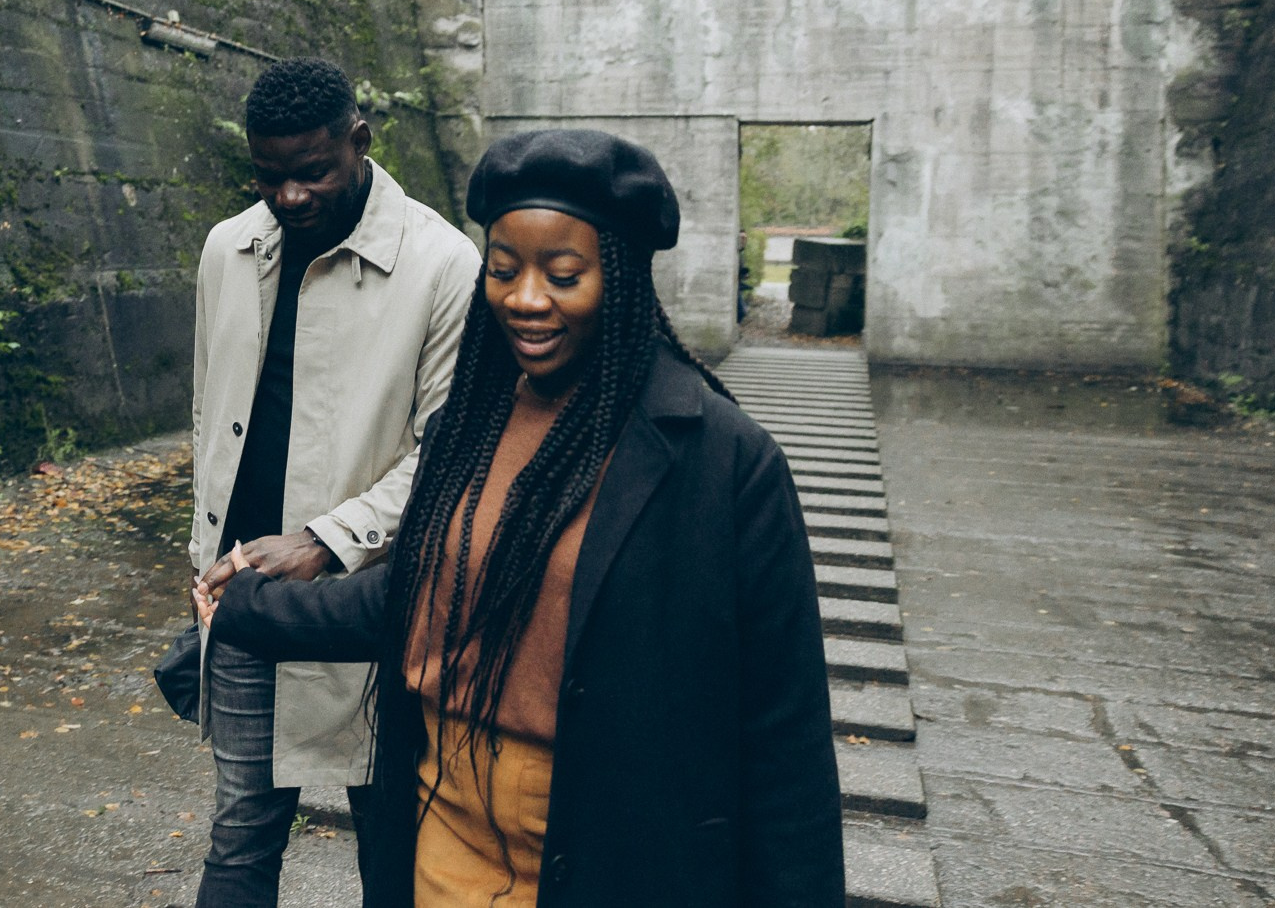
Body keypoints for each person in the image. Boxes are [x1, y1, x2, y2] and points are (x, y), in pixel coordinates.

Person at [195, 128, 844, 908]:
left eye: (563, 273)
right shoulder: (471, 422)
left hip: (619, 855)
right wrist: (251, 606)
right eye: (504, 270)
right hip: (444, 847)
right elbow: (417, 595)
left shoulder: (724, 461)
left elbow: (786, 747)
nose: (527, 298)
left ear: (622, 276)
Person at [188, 57, 479, 907]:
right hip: (243, 591)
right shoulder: (226, 250)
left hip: (376, 604)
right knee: (241, 827)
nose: (288, 197)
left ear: (361, 141)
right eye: (268, 176)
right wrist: (206, 552)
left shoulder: (443, 264)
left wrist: (327, 538)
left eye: (312, 171)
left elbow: (448, 451)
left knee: (394, 838)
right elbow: (211, 412)